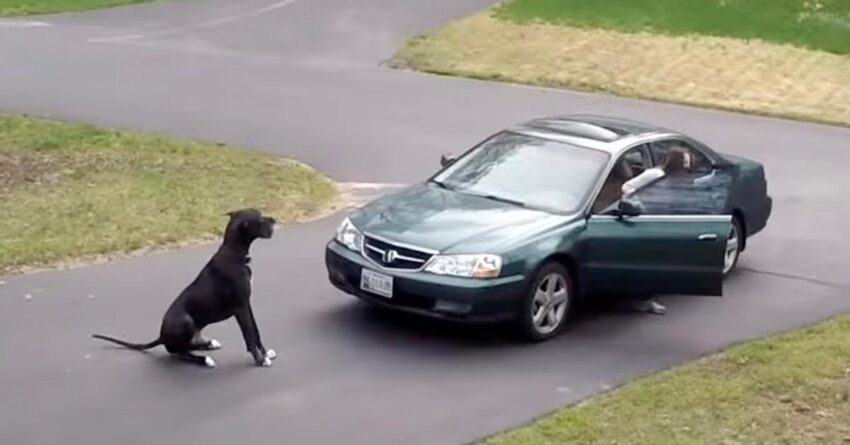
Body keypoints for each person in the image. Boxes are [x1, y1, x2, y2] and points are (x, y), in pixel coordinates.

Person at [621, 147, 691, 316]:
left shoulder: (678, 181)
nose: (688, 166)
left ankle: (647, 299)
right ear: (677, 162)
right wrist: (641, 203)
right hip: (645, 222)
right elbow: (627, 187)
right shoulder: (655, 175)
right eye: (685, 162)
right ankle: (641, 300)